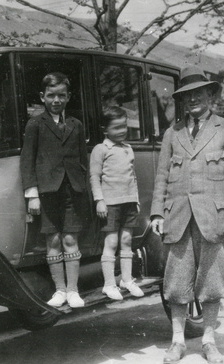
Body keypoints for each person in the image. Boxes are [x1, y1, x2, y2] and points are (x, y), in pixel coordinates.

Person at [150, 66, 224, 364]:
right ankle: (177, 342)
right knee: (177, 282)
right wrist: (156, 212)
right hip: (177, 217)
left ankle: (208, 341)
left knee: (212, 280)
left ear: (210, 94)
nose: (193, 99)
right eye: (187, 95)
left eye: (198, 93)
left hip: (213, 218)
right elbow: (162, 176)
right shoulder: (172, 133)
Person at [20, 72, 89, 308]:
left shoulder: (75, 125)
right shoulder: (35, 124)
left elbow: (82, 160)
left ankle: (73, 290)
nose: (56, 100)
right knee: (54, 240)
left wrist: (83, 187)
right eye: (51, 96)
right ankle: (59, 290)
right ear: (42, 97)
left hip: (72, 191)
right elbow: (27, 161)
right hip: (47, 193)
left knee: (70, 238)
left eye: (61, 95)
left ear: (68, 97)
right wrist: (32, 195)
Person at [89, 106, 144, 300]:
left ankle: (127, 280)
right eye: (116, 128)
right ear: (105, 129)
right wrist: (100, 201)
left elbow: (133, 177)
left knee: (127, 241)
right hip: (110, 204)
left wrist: (135, 199)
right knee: (111, 242)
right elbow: (94, 177)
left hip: (129, 202)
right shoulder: (100, 149)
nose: (121, 131)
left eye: (124, 127)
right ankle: (109, 284)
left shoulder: (128, 149)